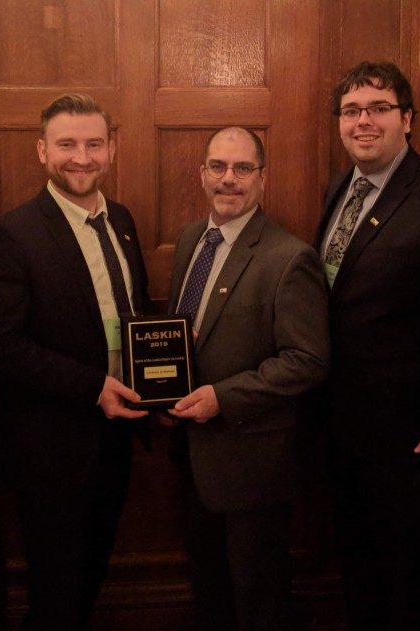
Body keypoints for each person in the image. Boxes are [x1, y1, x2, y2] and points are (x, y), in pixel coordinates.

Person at [315, 61, 420, 629]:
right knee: (360, 574)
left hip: (414, 442)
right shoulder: (340, 187)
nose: (363, 121)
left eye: (378, 108)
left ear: (406, 119)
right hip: (345, 430)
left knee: (413, 586)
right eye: (351, 111)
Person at [0, 93, 151, 630]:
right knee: (57, 591)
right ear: (42, 150)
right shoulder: (11, 234)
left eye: (94, 144)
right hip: (52, 449)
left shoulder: (121, 219)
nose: (82, 157)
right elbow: (0, 348)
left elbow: (134, 317)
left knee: (90, 577)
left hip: (117, 440)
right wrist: (94, 387)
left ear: (112, 148)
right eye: (67, 144)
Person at [163, 127, 329, 630]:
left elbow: (308, 359)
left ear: (262, 178)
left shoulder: (288, 257)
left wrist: (223, 397)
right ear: (202, 174)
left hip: (251, 461)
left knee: (256, 600)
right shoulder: (193, 238)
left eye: (241, 169)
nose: (228, 180)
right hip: (189, 452)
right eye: (217, 167)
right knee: (209, 590)